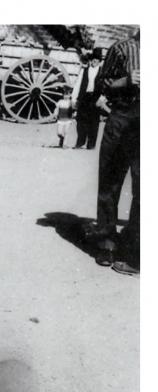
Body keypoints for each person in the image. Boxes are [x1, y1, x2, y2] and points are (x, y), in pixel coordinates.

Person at [91, 30, 140, 275]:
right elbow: (101, 84)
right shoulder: (123, 48)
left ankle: (135, 247)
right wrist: (126, 80)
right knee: (110, 181)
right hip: (122, 116)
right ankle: (106, 242)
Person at [71, 48, 103, 149]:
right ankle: (80, 142)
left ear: (99, 61)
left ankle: (91, 144)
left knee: (94, 121)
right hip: (84, 97)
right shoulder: (84, 70)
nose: (94, 61)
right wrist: (74, 98)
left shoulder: (102, 72)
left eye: (97, 59)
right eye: (93, 59)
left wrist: (102, 98)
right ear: (90, 60)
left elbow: (105, 87)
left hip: (95, 98)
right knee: (81, 120)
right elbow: (78, 84)